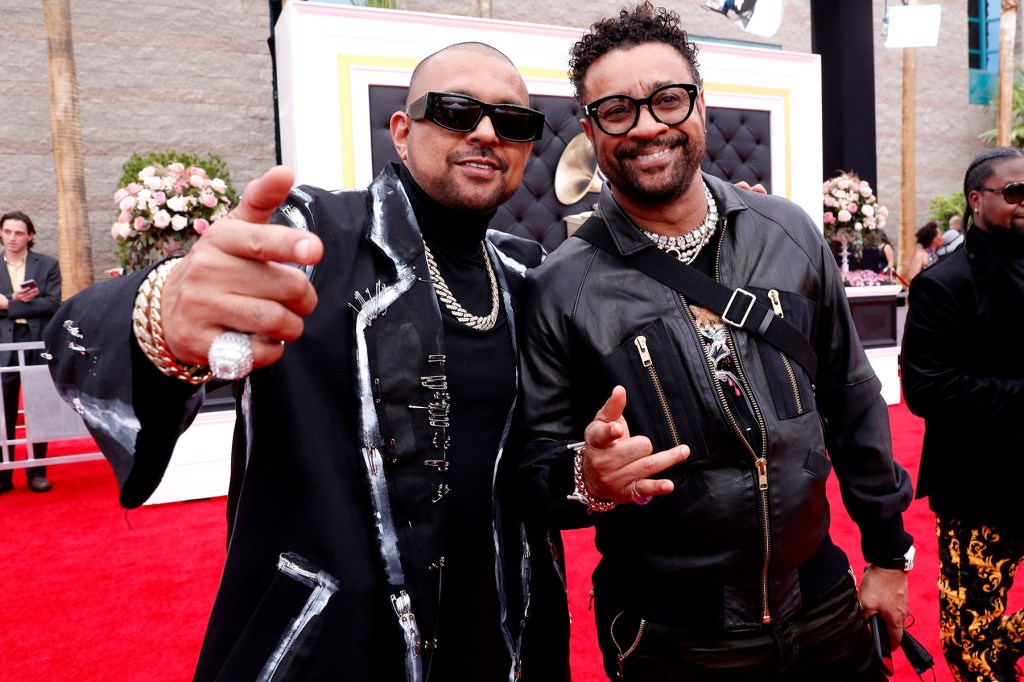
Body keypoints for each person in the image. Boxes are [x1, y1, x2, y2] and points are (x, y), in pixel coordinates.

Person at [43, 43, 569, 681]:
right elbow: (84, 329)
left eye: (511, 121)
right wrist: (164, 312)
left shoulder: (526, 273)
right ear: (403, 133)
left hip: (503, 629)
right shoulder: (315, 234)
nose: (485, 132)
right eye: (456, 111)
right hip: (333, 644)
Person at [513, 4, 915, 679]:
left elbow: (852, 398)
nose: (647, 126)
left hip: (822, 601)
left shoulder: (789, 233)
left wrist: (886, 553)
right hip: (672, 637)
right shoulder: (562, 289)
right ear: (589, 129)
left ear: (700, 104)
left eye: (668, 100)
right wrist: (585, 476)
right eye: (617, 111)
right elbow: (532, 468)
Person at [901, 146, 1024, 681]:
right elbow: (926, 389)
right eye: (1015, 192)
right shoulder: (943, 283)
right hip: (979, 487)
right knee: (970, 645)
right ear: (976, 199)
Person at [0, 211, 61, 494]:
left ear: (30, 236)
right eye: (7, 231)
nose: (12, 238)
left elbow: (52, 304)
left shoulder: (47, 265)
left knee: (39, 406)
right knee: (3, 411)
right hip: (3, 343)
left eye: (19, 233)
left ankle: (37, 471)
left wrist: (7, 304)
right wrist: (22, 304)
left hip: (37, 340)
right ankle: (3, 473)